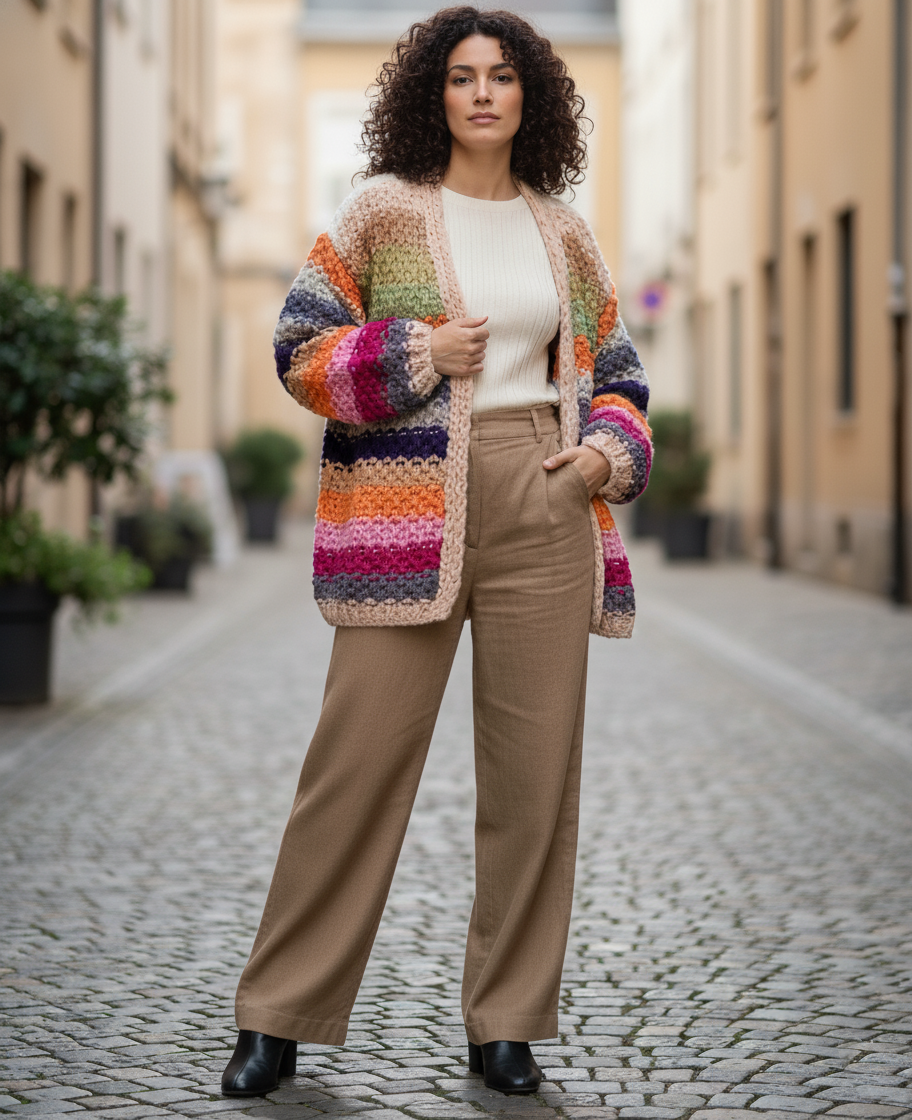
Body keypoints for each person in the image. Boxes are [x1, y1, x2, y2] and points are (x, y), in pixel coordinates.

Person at [221, 5, 651, 1100]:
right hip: (404, 510)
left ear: (530, 99)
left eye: (503, 76)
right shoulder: (380, 213)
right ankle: (277, 1013)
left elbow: (622, 376)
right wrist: (419, 349)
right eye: (461, 76)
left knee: (533, 778)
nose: (481, 93)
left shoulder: (564, 233)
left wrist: (604, 457)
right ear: (433, 93)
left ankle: (505, 1022)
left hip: (543, 495)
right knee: (353, 765)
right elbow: (300, 350)